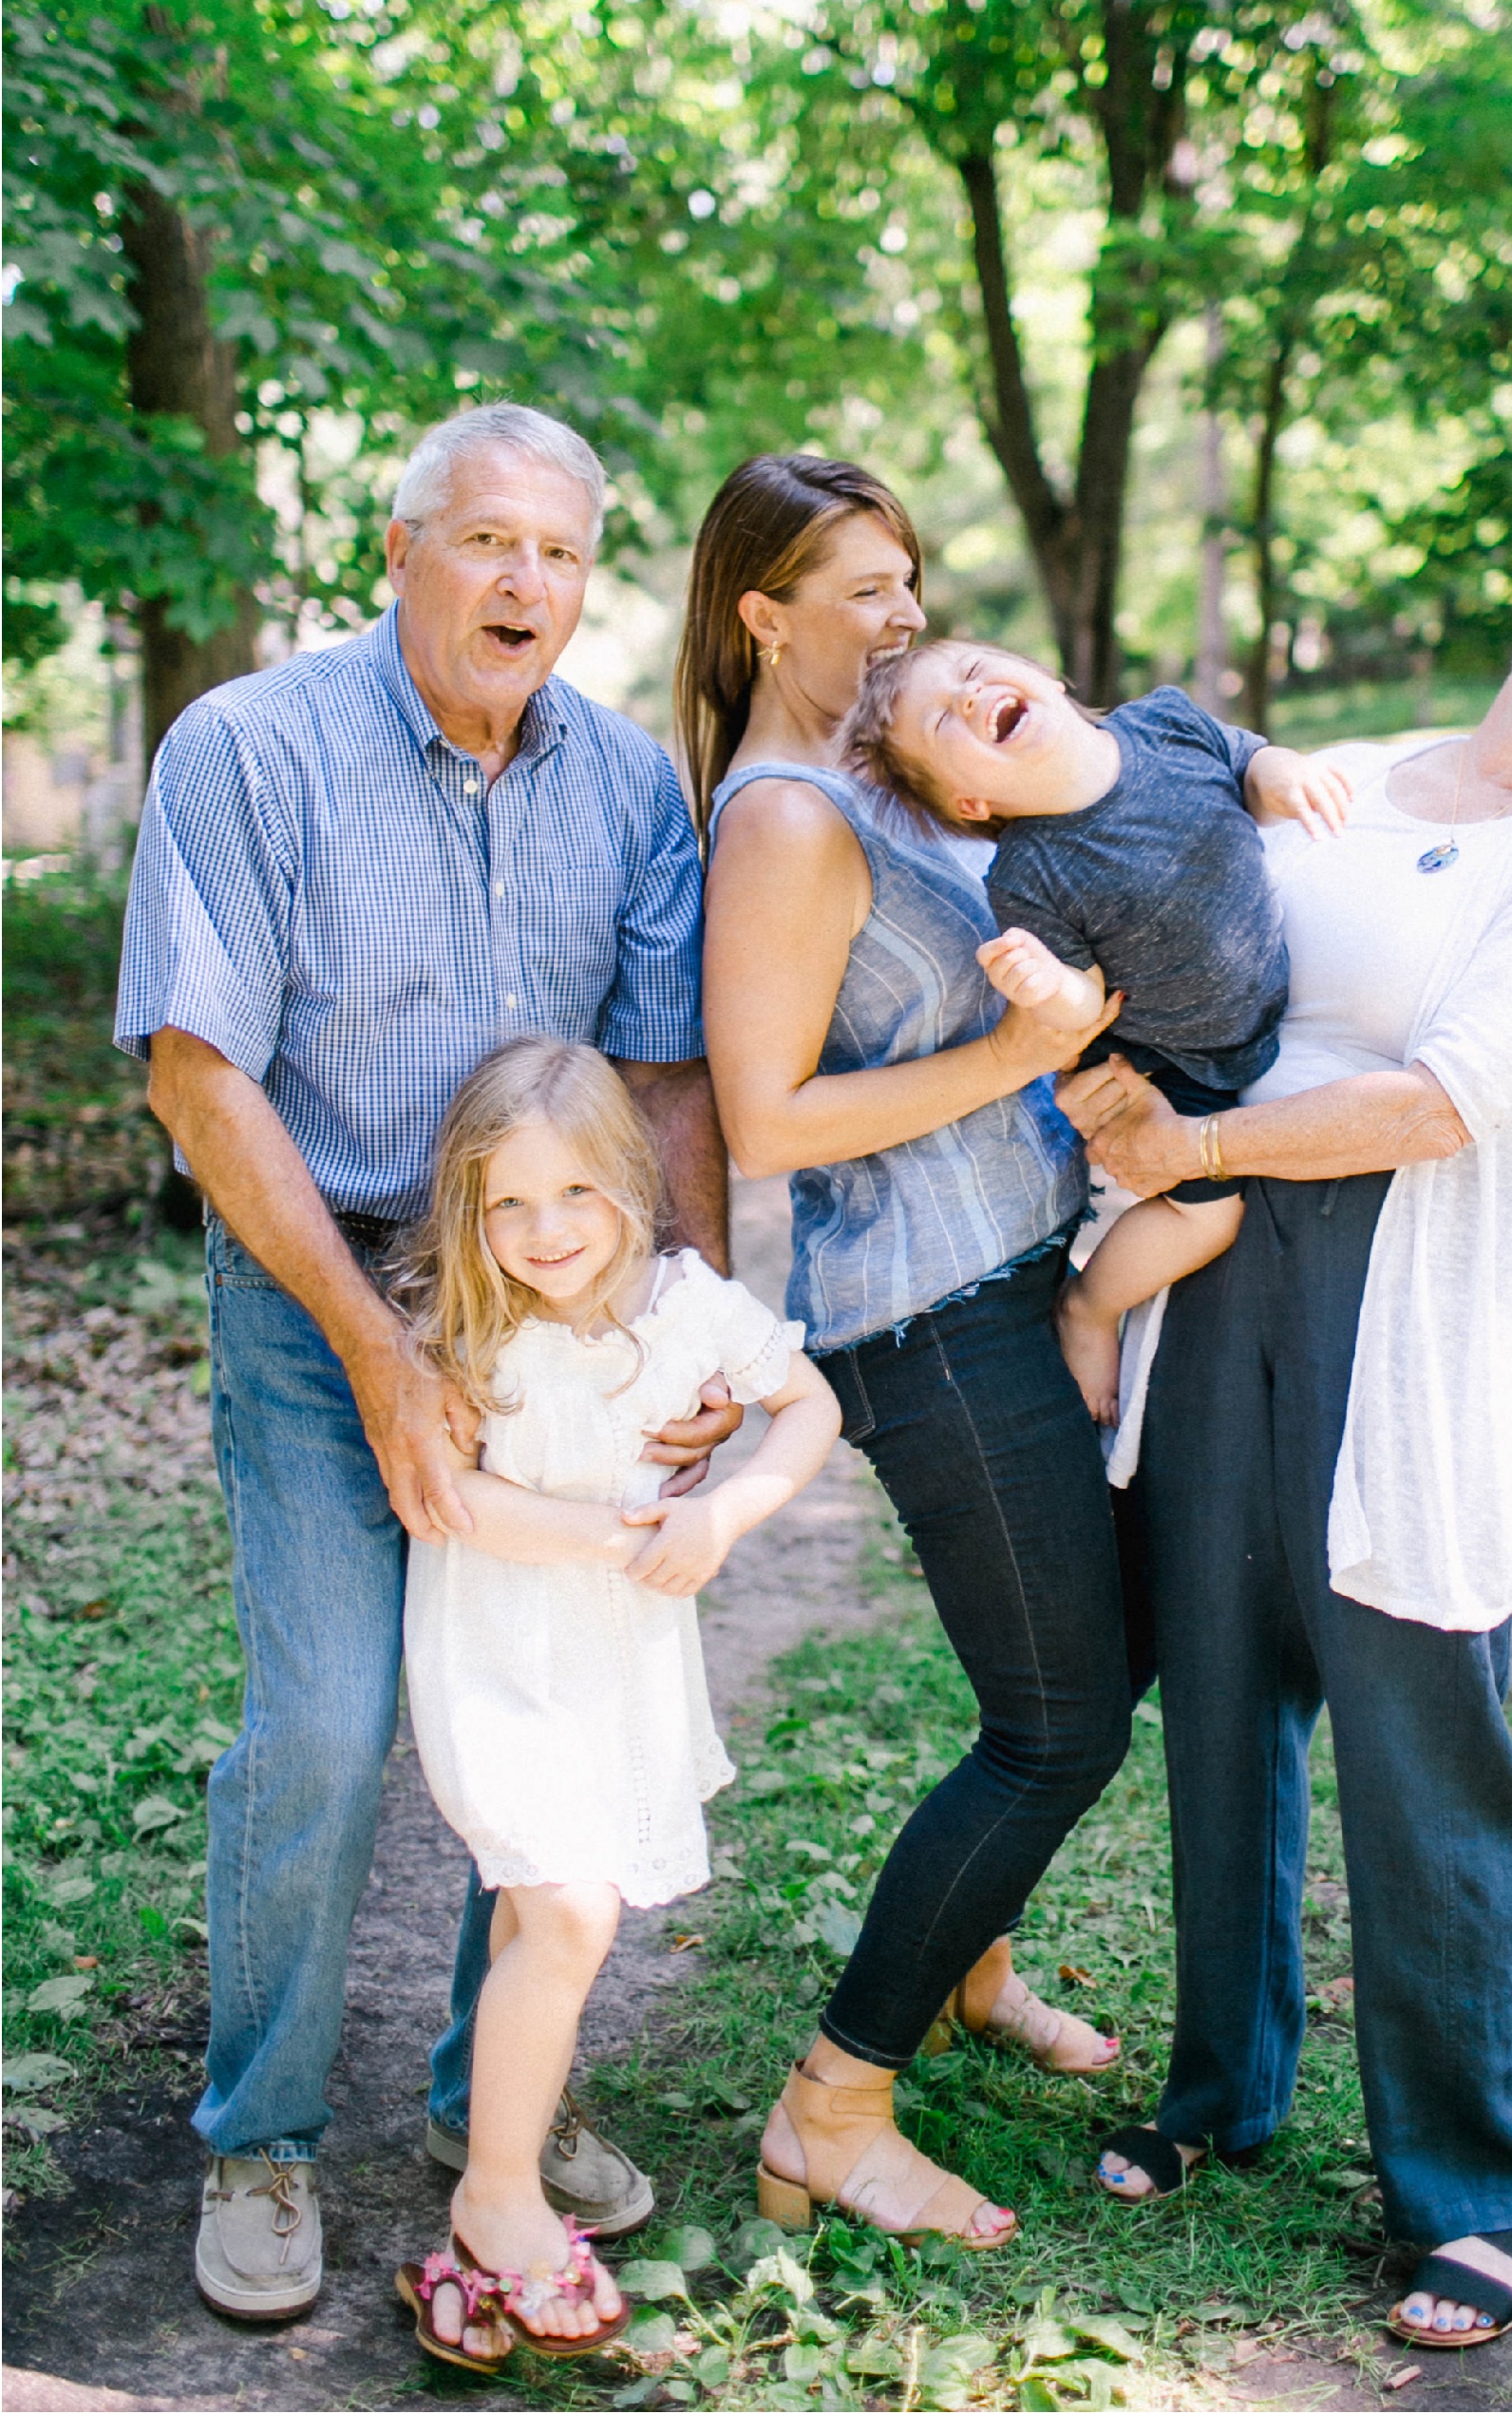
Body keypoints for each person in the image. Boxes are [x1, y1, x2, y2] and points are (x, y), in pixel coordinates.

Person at [1061, 514, 1512, 2351]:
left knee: (1419, 1732)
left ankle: (1473, 2187)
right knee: (1220, 1698)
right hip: (1212, 1270)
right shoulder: (1347, 778)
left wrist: (1201, 1140)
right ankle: (1221, 2084)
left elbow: (1445, 1098)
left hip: (1406, 1285)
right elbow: (1182, 944)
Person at [115, 404, 738, 2325]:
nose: (523, 582)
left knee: (543, 1711)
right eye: (486, 542)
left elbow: (658, 1068)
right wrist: (382, 1351)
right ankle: (267, 2128)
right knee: (322, 1718)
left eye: (556, 553)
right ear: (401, 550)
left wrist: (686, 1314)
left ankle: (506, 2106)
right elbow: (195, 1070)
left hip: (556, 1319)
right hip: (322, 1301)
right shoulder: (251, 747)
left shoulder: (630, 783)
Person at [682, 454, 1129, 2251]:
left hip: (1024, 1273)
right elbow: (769, 1118)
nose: (903, 613)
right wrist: (1029, 1060)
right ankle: (832, 2104)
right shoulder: (789, 817)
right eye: (856, 587)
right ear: (762, 615)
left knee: (1057, 1670)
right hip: (929, 1321)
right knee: (1059, 1723)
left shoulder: (892, 772)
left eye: (910, 575)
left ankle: (975, 1962)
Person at [391, 1038, 839, 2365]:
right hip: (497, 1656)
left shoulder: (686, 1302)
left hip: (618, 1671)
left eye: (575, 1192)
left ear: (632, 1184)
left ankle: (485, 2212)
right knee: (572, 1911)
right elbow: (458, 1497)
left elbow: (803, 1404)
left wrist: (732, 1509)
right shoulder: (469, 1318)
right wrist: (617, 1533)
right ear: (471, 1211)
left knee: (557, 1921)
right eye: (508, 1201)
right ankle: (499, 2195)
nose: (545, 1230)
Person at [844, 639, 1350, 1421]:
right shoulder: (1031, 874)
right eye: (945, 718)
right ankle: (1088, 1308)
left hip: (1273, 1006)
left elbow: (1243, 760)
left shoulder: (1166, 723)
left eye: (977, 674)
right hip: (1170, 1063)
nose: (974, 698)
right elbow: (1090, 1008)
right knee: (1209, 1217)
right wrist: (1046, 988)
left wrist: (1282, 772)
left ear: (1042, 676)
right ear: (971, 803)